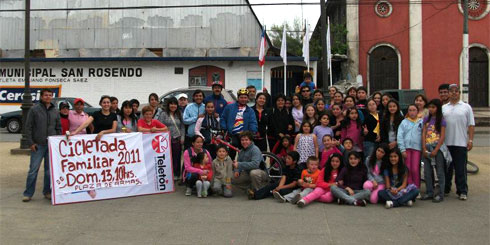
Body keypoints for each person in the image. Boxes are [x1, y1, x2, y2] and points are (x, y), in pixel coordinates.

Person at [22, 88, 61, 202]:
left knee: (49, 171)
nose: (48, 97)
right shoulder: (34, 109)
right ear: (41, 97)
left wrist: (57, 141)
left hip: (50, 145)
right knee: (33, 170)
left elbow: (58, 127)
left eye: (50, 95)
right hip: (38, 145)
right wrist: (31, 143)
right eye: (46, 95)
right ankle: (28, 193)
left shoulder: (55, 111)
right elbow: (28, 127)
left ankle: (47, 192)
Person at [443, 84, 474, 200]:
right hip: (446, 144)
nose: (454, 93)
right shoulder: (444, 108)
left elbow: (471, 125)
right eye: (451, 91)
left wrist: (470, 140)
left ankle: (462, 190)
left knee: (460, 169)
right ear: (449, 93)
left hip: (460, 143)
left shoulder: (466, 107)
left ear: (459, 93)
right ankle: (446, 188)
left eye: (456, 91)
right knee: (447, 168)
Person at [421, 99, 450, 203]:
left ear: (438, 108)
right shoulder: (426, 119)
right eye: (430, 107)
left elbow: (442, 136)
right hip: (427, 147)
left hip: (438, 148)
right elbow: (424, 133)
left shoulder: (441, 120)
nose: (431, 109)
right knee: (427, 171)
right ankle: (429, 192)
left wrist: (436, 149)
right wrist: (424, 147)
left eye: (433, 107)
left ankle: (440, 194)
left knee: (440, 172)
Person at [220, 89, 258, 159]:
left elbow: (253, 122)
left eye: (245, 97)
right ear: (238, 98)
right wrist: (224, 128)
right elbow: (223, 118)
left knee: (244, 155)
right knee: (230, 155)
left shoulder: (250, 111)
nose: (243, 99)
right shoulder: (229, 107)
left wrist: (253, 132)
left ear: (248, 98)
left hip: (244, 135)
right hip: (232, 134)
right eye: (241, 97)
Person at [159, 97, 186, 181]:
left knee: (177, 157)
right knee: (166, 158)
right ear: (168, 105)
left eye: (175, 104)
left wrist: (182, 137)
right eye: (171, 104)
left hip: (177, 138)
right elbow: (159, 125)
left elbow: (182, 126)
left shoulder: (179, 113)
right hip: (166, 139)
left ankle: (176, 174)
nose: (173, 106)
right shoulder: (163, 114)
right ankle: (167, 174)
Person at [397, 104, 423, 189]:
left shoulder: (421, 122)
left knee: (415, 169)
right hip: (406, 148)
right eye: (410, 110)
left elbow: (424, 135)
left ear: (417, 111)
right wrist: (402, 149)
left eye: (414, 110)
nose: (412, 112)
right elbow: (400, 136)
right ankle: (409, 187)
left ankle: (416, 187)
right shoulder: (404, 122)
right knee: (408, 169)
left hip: (417, 148)